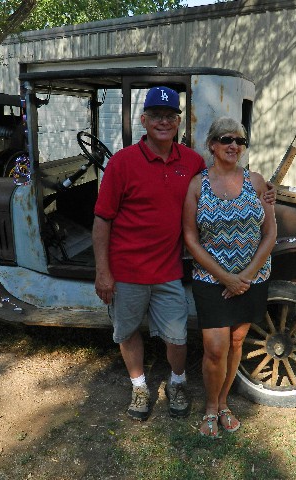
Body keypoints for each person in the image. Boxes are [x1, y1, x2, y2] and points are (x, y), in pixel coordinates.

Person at [92, 86, 205, 421]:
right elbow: (102, 220)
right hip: (126, 271)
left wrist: (260, 189)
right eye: (156, 115)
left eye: (170, 116)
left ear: (179, 122)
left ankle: (177, 382)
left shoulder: (192, 161)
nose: (163, 121)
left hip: (168, 269)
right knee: (127, 332)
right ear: (144, 120)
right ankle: (139, 386)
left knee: (178, 336)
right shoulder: (123, 163)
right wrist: (103, 272)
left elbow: (219, 185)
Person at [182, 117, 276, 438]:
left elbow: (270, 232)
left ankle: (223, 403)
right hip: (211, 281)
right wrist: (226, 278)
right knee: (215, 348)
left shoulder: (257, 182)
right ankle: (210, 406)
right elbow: (191, 239)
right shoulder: (198, 185)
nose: (233, 145)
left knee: (237, 341)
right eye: (226, 139)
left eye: (239, 140)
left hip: (252, 279)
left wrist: (245, 277)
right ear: (212, 145)